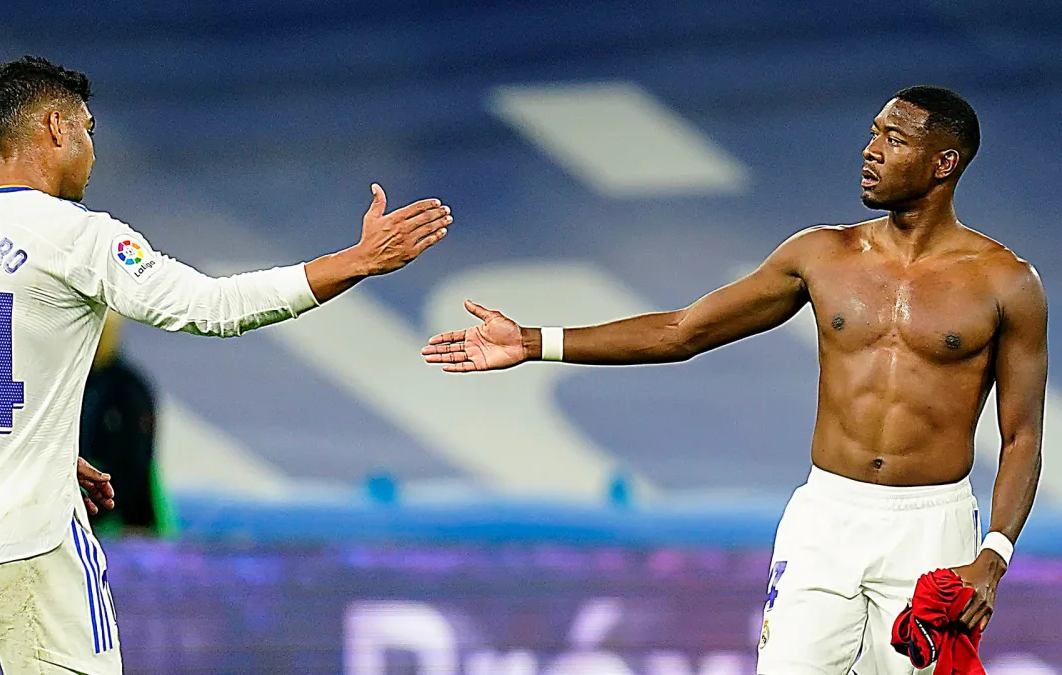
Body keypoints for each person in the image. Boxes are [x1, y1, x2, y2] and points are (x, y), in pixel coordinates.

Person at [423, 86, 1045, 674]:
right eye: (872, 133)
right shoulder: (820, 255)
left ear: (944, 163)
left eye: (894, 139)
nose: (871, 149)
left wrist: (993, 557)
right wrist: (533, 342)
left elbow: (1021, 436)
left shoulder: (1005, 283)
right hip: (827, 516)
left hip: (930, 527)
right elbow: (681, 331)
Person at [0, 55, 453, 674]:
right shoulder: (77, 234)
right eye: (88, 129)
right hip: (32, 541)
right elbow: (210, 307)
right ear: (54, 126)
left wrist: (32, 442)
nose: (93, 151)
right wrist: (355, 261)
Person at [80, 311, 169, 537]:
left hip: (125, 519)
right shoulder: (68, 381)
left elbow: (138, 460)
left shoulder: (131, 390)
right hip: (78, 506)